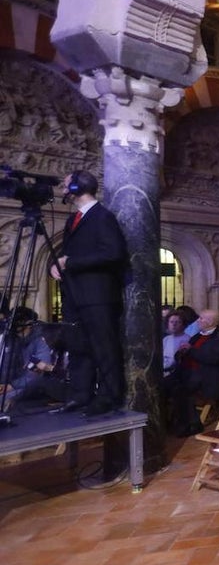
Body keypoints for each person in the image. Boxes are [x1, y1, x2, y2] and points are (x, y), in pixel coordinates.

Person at [51, 169, 128, 416]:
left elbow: (113, 253)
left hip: (98, 297)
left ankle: (109, 397)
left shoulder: (102, 217)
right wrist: (59, 265)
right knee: (78, 345)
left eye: (66, 185)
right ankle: (80, 394)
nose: (63, 191)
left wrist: (69, 263)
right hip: (75, 294)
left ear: (77, 188)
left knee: (104, 347)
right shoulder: (72, 219)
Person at [164, 309, 219, 436]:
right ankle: (168, 422)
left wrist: (190, 350)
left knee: (181, 390)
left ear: (210, 321)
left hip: (207, 376)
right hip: (187, 372)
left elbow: (212, 359)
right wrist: (181, 352)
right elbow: (187, 351)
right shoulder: (199, 335)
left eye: (201, 318)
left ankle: (190, 425)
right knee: (162, 384)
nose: (198, 321)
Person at [0, 307, 57, 412]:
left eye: (21, 329)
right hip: (8, 385)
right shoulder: (8, 338)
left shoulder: (40, 341)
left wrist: (12, 385)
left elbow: (36, 374)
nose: (18, 333)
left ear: (30, 325)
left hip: (28, 386)